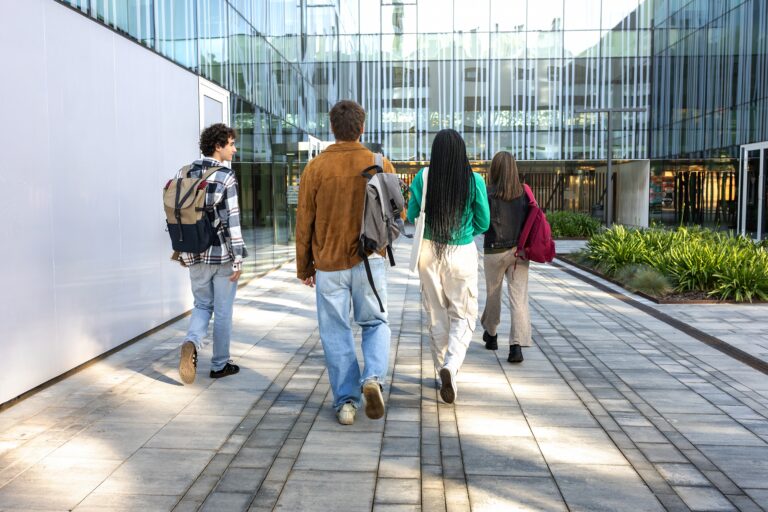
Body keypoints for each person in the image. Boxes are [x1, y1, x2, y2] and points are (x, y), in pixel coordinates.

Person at [295, 100, 395, 426]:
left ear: (332, 128)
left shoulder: (316, 168)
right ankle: (373, 378)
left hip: (328, 264)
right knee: (375, 322)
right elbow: (397, 214)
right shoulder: (379, 163)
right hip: (370, 260)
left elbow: (304, 221)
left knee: (335, 332)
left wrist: (304, 267)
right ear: (361, 127)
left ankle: (347, 404)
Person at [406, 129, 490, 404]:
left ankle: (440, 368)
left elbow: (411, 214)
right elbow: (484, 222)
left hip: (428, 251)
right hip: (461, 251)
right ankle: (451, 366)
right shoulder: (474, 180)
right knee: (463, 314)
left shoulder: (423, 177)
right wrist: (464, 232)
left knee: (436, 314)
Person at [175, 123, 248, 384]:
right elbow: (232, 222)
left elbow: (179, 215)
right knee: (223, 310)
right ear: (218, 146)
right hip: (222, 256)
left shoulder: (184, 172)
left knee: (202, 305)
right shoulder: (226, 177)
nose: (234, 149)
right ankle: (219, 364)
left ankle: (192, 343)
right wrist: (238, 258)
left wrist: (182, 253)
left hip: (193, 253)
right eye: (231, 144)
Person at [481, 151, 532, 363]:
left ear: (495, 169)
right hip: (519, 252)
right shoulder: (524, 192)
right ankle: (516, 347)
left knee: (493, 294)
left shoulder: (486, 192)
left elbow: (483, 224)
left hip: (494, 251)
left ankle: (492, 335)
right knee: (518, 298)